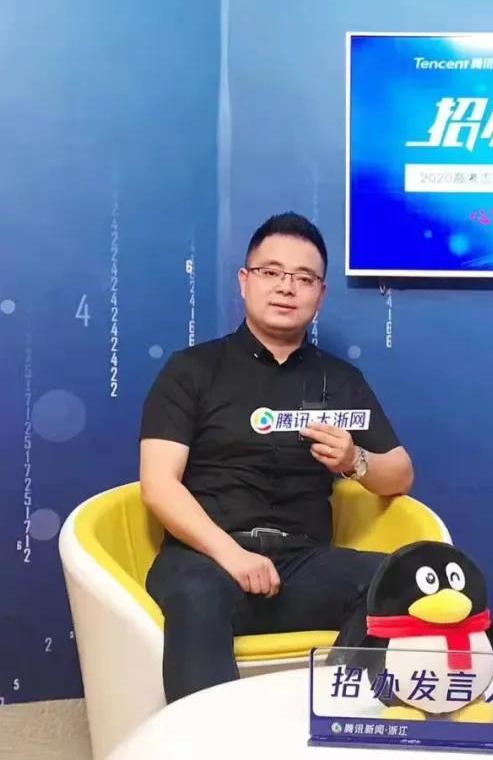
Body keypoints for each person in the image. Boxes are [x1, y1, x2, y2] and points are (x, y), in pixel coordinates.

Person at [140, 212, 414, 702]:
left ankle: (334, 712)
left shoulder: (339, 380)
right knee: (197, 594)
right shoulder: (191, 370)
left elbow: (400, 474)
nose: (286, 287)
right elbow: (159, 485)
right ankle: (203, 737)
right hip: (206, 555)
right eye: (271, 272)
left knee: (400, 582)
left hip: (302, 562)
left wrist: (355, 460)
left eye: (303, 278)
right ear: (245, 281)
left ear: (320, 295)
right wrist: (233, 556)